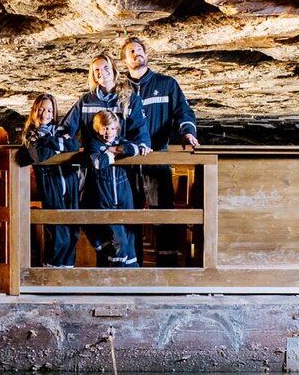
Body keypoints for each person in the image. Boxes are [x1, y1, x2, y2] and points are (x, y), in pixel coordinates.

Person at [60, 53, 151, 264]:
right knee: (102, 224)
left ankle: (129, 275)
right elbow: (67, 127)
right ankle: (106, 275)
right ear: (93, 75)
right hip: (95, 173)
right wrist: (62, 137)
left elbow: (140, 131)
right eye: (97, 70)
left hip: (123, 174)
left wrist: (139, 146)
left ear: (114, 69)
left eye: (105, 67)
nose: (102, 72)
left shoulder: (128, 98)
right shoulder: (86, 100)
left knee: (126, 226)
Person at [121, 35, 200, 264]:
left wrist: (188, 132)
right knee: (129, 215)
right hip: (128, 163)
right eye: (131, 52)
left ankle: (167, 268)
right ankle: (132, 267)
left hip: (157, 160)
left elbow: (183, 112)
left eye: (139, 49)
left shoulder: (166, 84)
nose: (137, 53)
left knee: (163, 214)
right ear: (125, 61)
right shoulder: (119, 90)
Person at [23, 94, 81, 267]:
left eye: (49, 110)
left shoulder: (60, 130)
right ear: (34, 111)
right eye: (41, 109)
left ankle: (67, 270)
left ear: (54, 112)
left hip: (69, 180)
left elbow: (74, 146)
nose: (45, 114)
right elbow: (39, 155)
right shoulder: (30, 134)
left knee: (73, 229)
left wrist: (49, 142)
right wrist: (59, 146)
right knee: (57, 231)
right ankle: (51, 270)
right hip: (50, 182)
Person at [88, 110, 142, 267]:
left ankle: (130, 277)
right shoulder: (94, 144)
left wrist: (112, 150)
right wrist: (115, 154)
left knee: (129, 236)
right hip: (104, 194)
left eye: (112, 128)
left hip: (124, 193)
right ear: (97, 128)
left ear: (117, 129)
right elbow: (98, 163)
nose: (108, 133)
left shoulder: (121, 141)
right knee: (118, 240)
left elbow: (134, 149)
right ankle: (115, 277)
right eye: (105, 128)